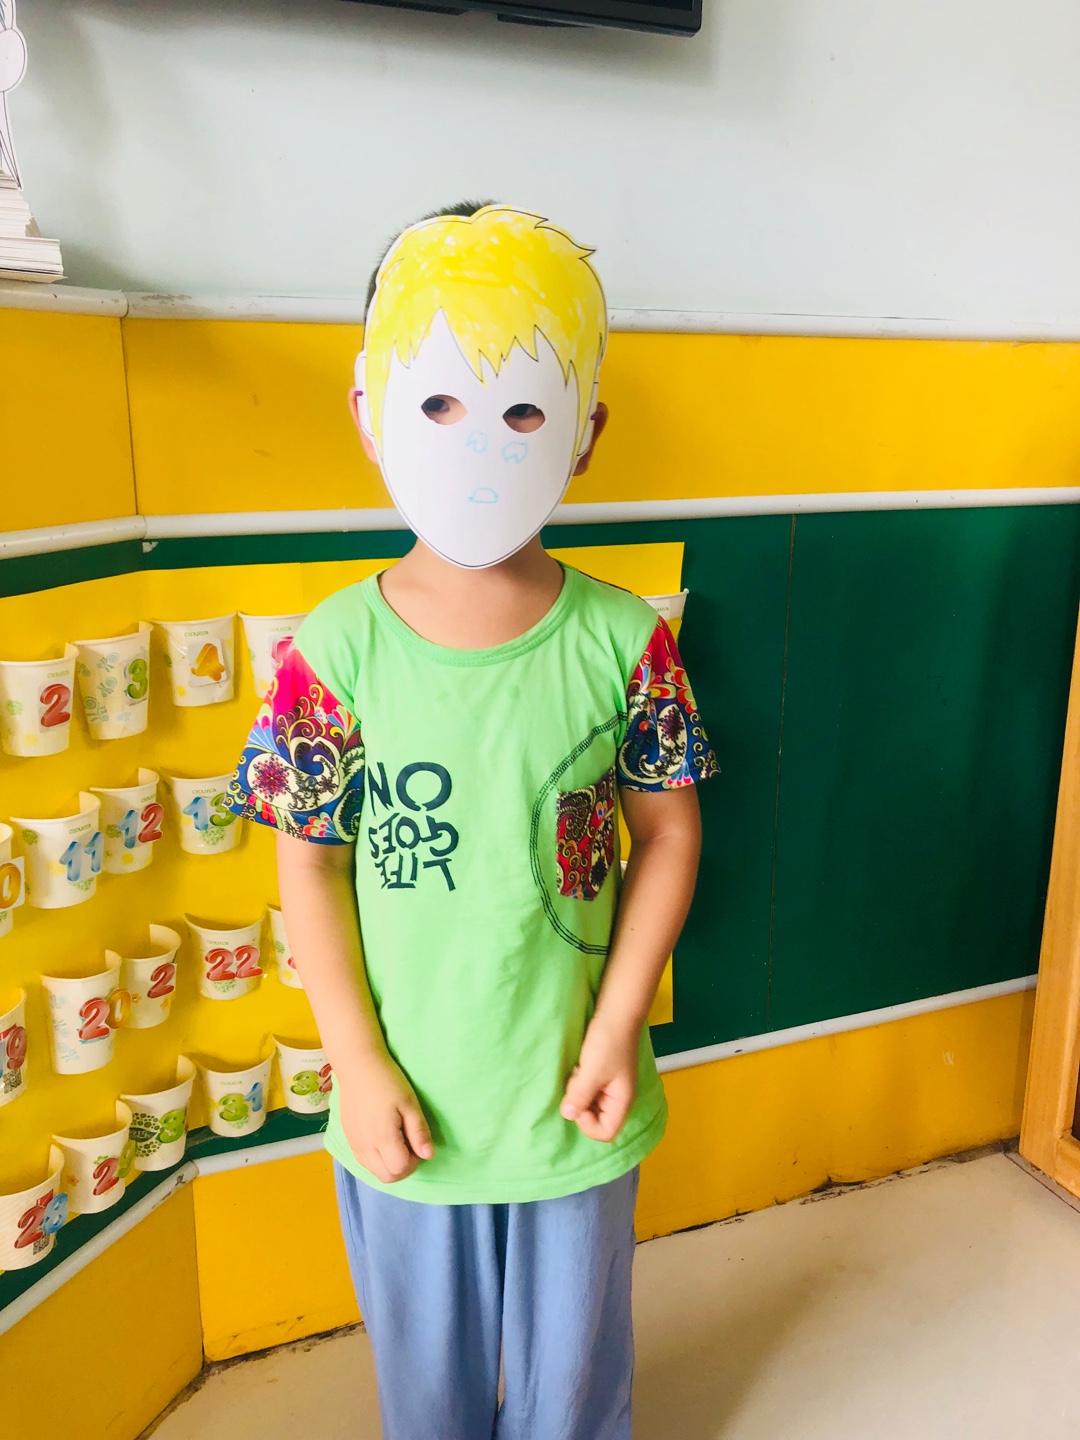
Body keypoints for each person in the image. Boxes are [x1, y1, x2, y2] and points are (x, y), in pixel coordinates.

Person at [226, 201, 718, 1440]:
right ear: (371, 416)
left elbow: (668, 833)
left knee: (571, 1388)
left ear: (584, 432)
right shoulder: (334, 649)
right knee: (428, 1394)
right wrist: (357, 1062)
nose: (479, 444)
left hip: (574, 1095)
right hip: (404, 1105)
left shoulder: (627, 641)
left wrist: (617, 1027)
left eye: (523, 413)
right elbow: (307, 866)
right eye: (437, 402)